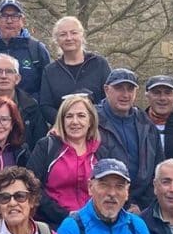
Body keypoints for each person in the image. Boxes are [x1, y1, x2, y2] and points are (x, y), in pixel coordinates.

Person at [26, 93, 115, 226]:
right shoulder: (46, 146)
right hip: (52, 224)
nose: (75, 121)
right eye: (69, 116)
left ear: (90, 120)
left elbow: (110, 188)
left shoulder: (102, 151)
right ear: (62, 121)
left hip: (95, 224)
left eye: (81, 116)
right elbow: (31, 187)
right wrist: (65, 215)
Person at [95, 68, 160, 212]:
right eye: (119, 88)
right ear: (106, 89)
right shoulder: (91, 122)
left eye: (130, 89)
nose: (125, 95)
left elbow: (157, 169)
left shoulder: (147, 125)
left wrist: (141, 205)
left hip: (141, 208)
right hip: (103, 205)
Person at [38, 16, 111, 121]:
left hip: (99, 129)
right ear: (56, 40)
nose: (69, 38)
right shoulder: (50, 71)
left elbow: (109, 98)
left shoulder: (99, 64)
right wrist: (66, 122)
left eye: (74, 33)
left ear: (82, 35)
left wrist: (90, 120)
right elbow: (46, 106)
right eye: (63, 34)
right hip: (63, 132)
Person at [145, 75, 173, 164]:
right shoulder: (136, 124)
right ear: (147, 96)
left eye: (168, 93)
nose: (162, 98)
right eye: (156, 93)